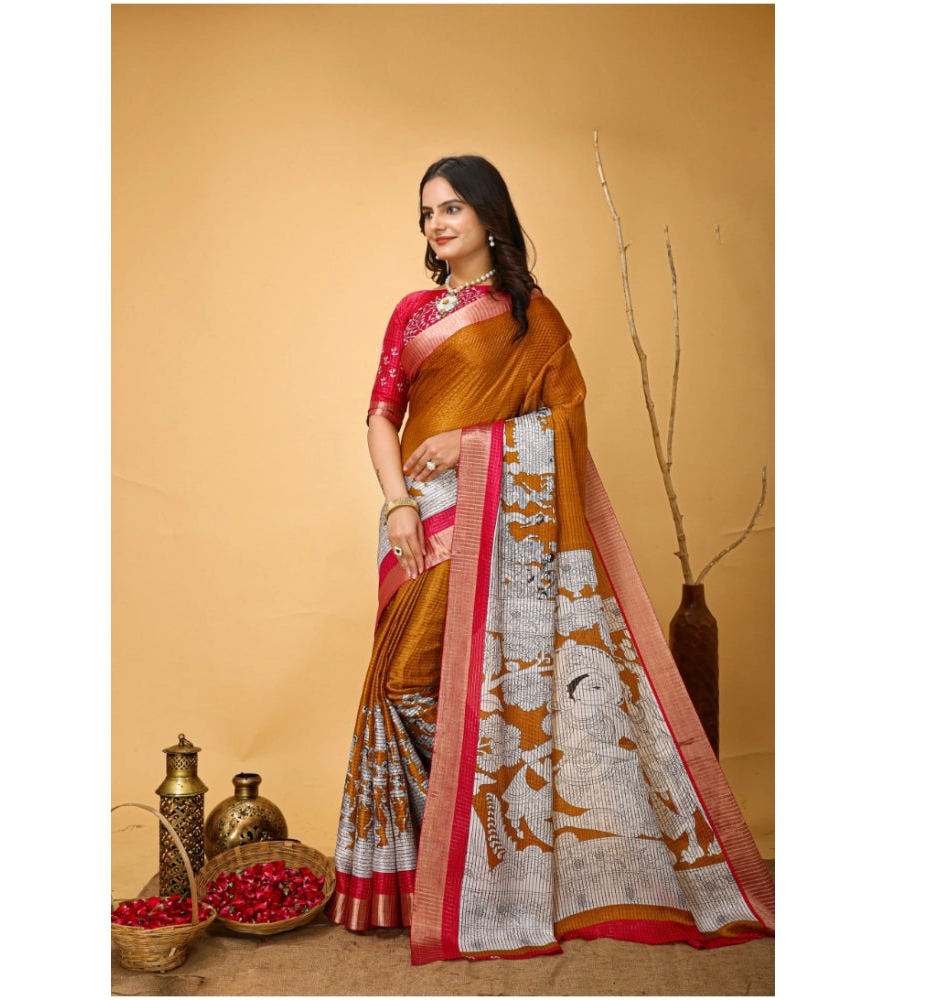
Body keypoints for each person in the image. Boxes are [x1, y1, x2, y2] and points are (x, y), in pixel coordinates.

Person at [327, 155, 775, 965]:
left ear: (488, 215)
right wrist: (398, 504)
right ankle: (449, 867)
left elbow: (567, 426)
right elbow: (381, 414)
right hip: (414, 521)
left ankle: (481, 868)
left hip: (490, 522)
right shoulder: (412, 312)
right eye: (427, 211)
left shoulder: (532, 319)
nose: (436, 223)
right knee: (400, 687)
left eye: (452, 207)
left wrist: (472, 444)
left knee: (447, 683)